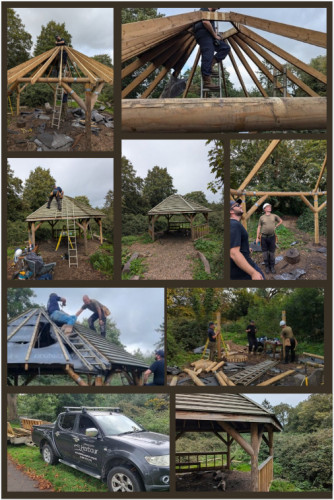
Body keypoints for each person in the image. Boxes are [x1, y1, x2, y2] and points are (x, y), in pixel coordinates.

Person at [193, 8, 231, 89]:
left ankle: (211, 64)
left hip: (210, 36)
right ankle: (207, 82)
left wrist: (216, 35)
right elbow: (205, 22)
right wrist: (214, 35)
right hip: (203, 34)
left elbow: (211, 26)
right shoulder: (204, 8)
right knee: (208, 54)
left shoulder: (212, 14)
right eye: (217, 6)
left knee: (225, 48)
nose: (218, 8)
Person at [230, 199, 265, 280]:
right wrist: (253, 273)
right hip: (243, 270)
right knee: (260, 276)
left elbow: (232, 245)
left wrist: (246, 249)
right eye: (237, 205)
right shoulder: (234, 225)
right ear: (231, 211)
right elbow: (234, 253)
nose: (241, 206)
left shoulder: (233, 224)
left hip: (239, 268)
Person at [256, 203, 283, 274]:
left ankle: (272, 266)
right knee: (265, 252)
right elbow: (259, 227)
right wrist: (257, 237)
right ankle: (267, 266)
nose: (269, 207)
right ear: (264, 209)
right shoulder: (262, 217)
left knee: (272, 252)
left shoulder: (274, 216)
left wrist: (276, 226)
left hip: (272, 237)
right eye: (268, 207)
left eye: (270, 206)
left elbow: (280, 221)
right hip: (264, 237)